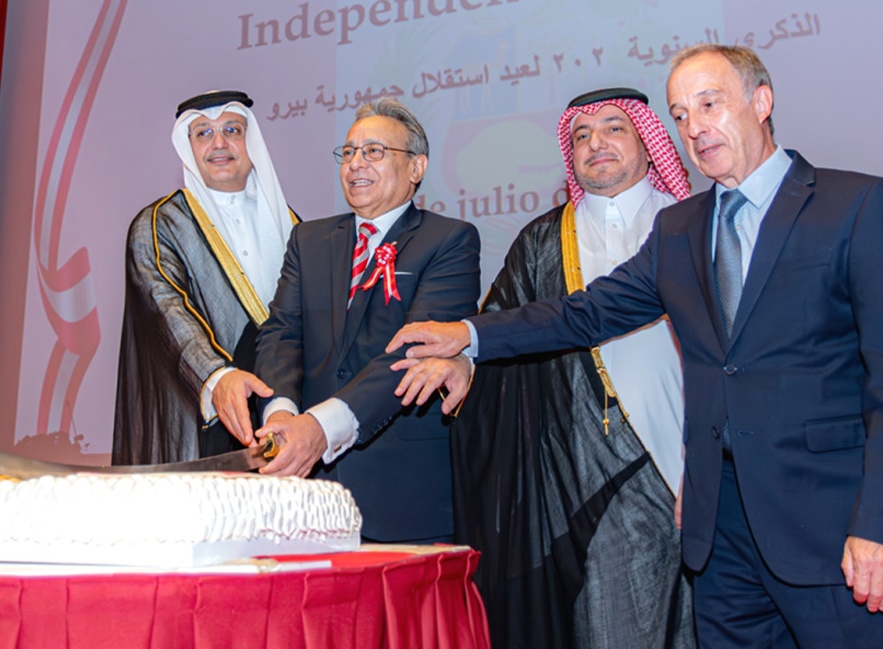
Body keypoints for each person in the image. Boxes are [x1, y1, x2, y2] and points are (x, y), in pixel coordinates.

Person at [388, 44, 883, 647]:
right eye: (681, 115)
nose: (695, 128)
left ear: (761, 102)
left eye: (709, 104)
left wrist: (876, 523)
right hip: (722, 536)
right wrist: (468, 334)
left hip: (830, 529)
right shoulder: (681, 229)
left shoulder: (854, 206)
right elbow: (587, 312)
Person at [402, 87, 695, 648]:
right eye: (581, 135)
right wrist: (464, 360)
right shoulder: (543, 239)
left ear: (647, 140)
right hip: (591, 469)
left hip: (697, 457)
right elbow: (502, 320)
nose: (595, 142)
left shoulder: (690, 223)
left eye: (613, 128)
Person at [253, 99, 481, 543]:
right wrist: (283, 417)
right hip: (305, 488)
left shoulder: (450, 241)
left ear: (416, 167)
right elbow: (281, 332)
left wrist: (320, 427)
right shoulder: (308, 239)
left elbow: (416, 351)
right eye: (349, 152)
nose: (356, 163)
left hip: (400, 491)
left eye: (374, 151)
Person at [113, 90, 296, 465]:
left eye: (232, 130)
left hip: (285, 413)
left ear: (251, 141)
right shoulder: (161, 224)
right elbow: (166, 312)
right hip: (204, 417)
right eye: (203, 133)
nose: (219, 143)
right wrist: (217, 376)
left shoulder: (290, 224)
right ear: (188, 147)